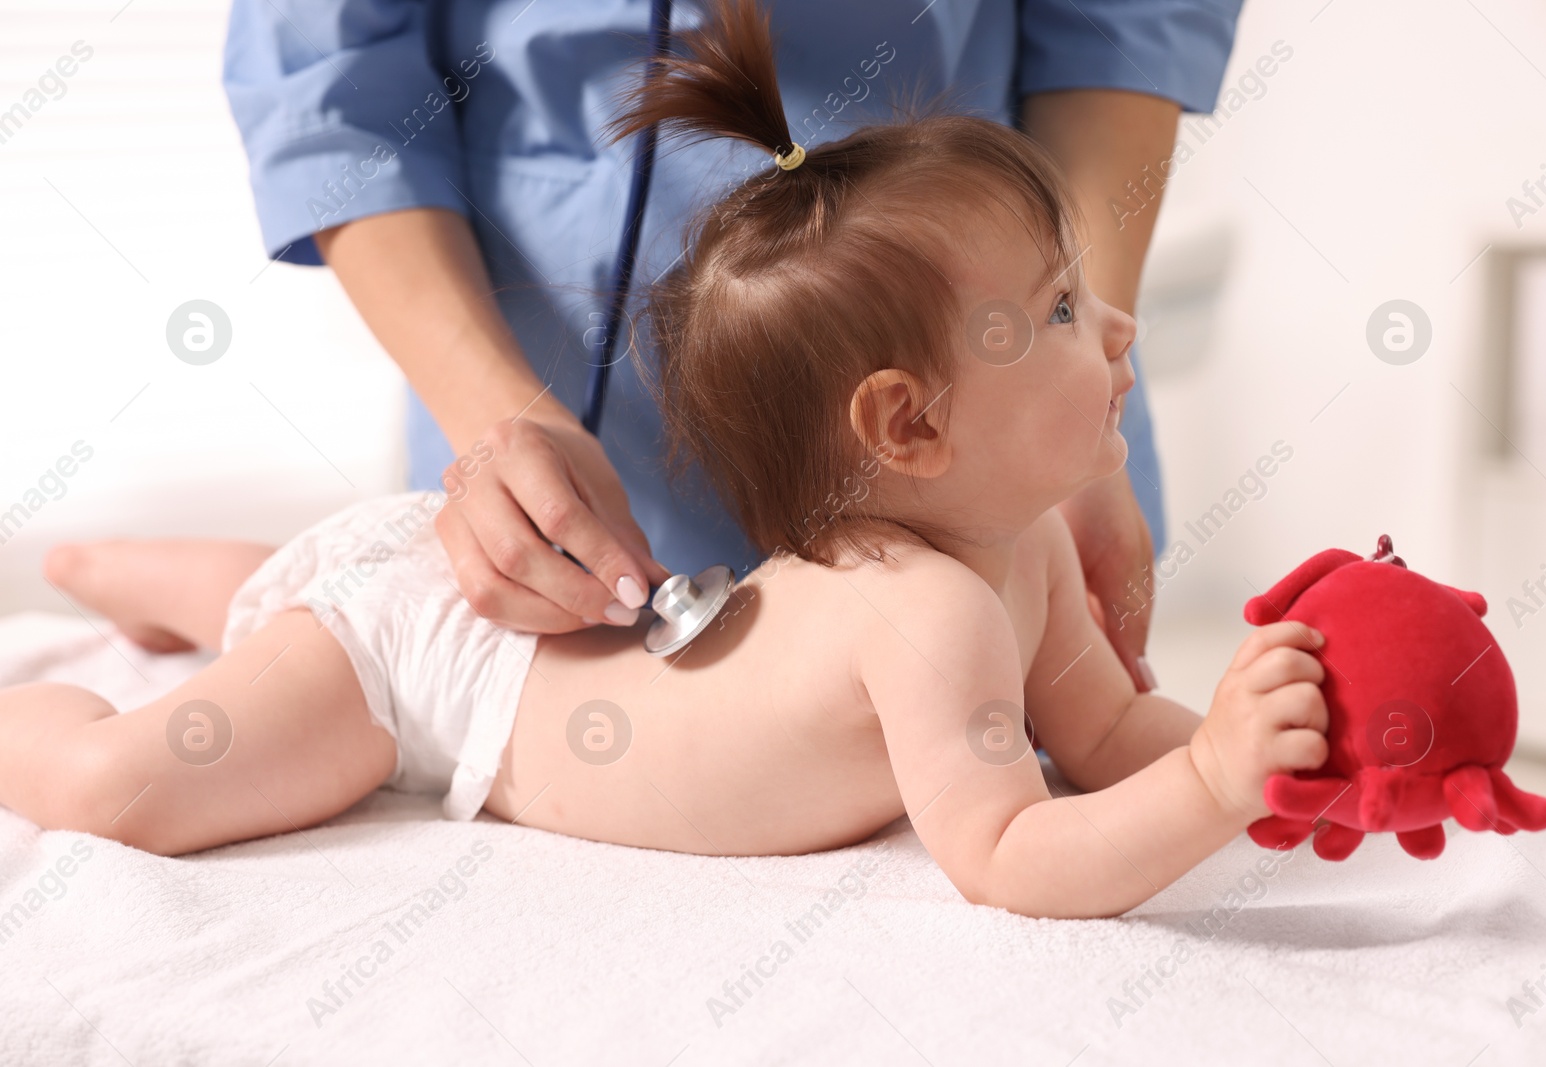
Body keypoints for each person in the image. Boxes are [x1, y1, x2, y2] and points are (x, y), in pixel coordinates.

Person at [10, 0, 1327, 920]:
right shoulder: (924, 611)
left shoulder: (1021, 538)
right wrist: (1216, 781)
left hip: (536, 610)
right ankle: (66, 622)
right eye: (1051, 311)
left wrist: (1275, 749)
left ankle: (125, 569)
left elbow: (1097, 734)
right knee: (119, 784)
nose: (1114, 322)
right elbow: (1009, 849)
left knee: (336, 576)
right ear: (908, 425)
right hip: (428, 676)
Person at [220, 0, 1244, 693]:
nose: (1125, 341)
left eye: (1069, 309)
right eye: (1075, 313)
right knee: (336, 632)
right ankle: (127, 575)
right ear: (896, 415)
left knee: (312, 634)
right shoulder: (940, 625)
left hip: (993, 435)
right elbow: (325, 74)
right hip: (536, 471)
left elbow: (1122, 23)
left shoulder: (963, 608)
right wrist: (494, 413)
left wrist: (1063, 389)